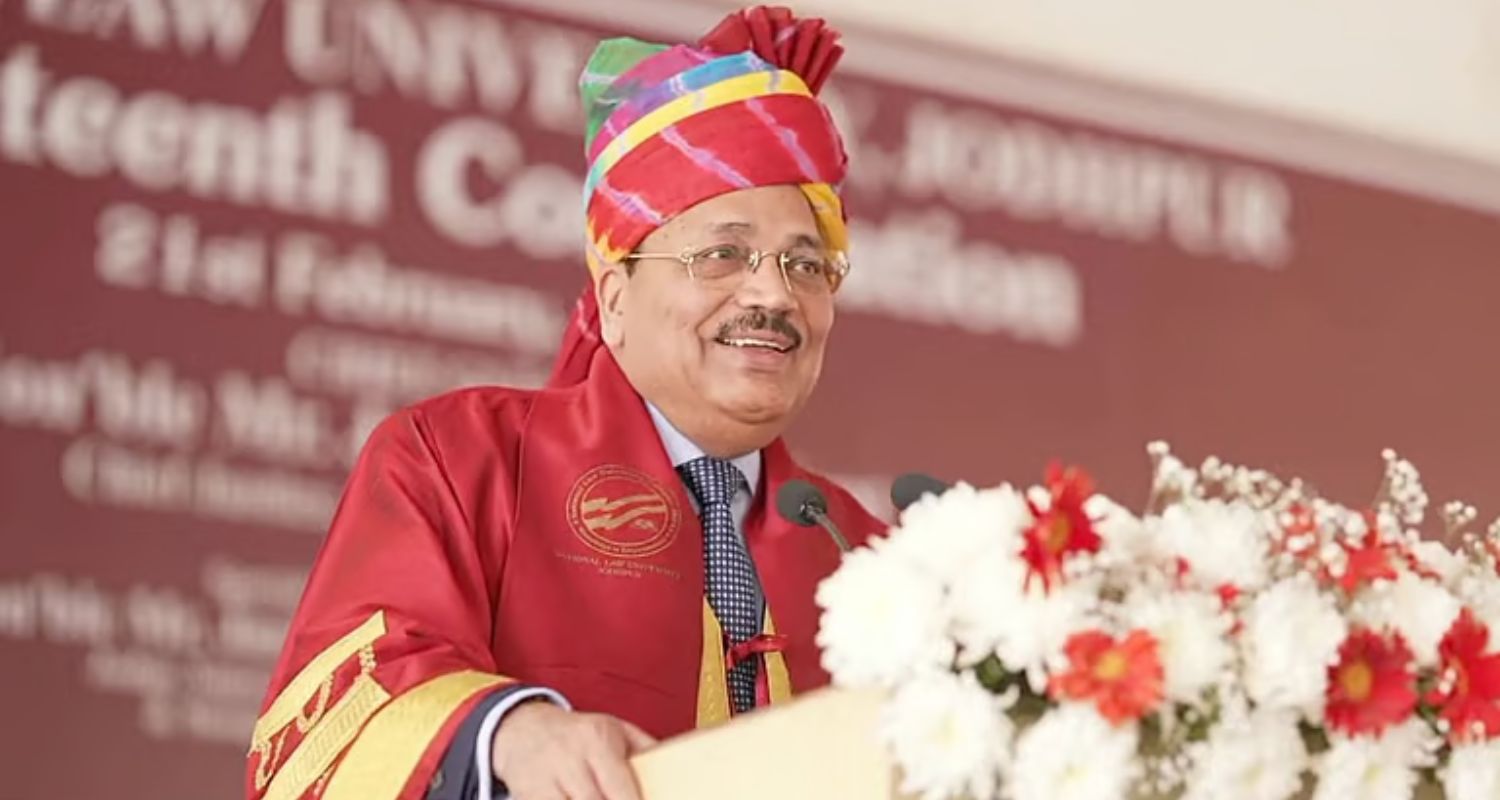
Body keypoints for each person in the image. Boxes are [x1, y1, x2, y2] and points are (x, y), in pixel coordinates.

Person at [244, 6, 884, 800]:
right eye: (723, 254)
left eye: (807, 265)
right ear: (614, 298)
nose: (774, 295)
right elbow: (333, 711)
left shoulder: (873, 558)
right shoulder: (461, 459)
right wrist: (506, 731)